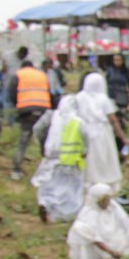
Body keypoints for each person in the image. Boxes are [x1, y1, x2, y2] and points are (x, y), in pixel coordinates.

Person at [32, 93, 89, 223]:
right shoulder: (78, 121)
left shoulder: (53, 116)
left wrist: (40, 143)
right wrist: (85, 151)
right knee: (68, 188)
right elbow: (86, 138)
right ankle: (64, 213)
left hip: (51, 157)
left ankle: (45, 203)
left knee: (49, 185)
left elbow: (37, 129)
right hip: (70, 159)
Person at [9, 49, 54, 178]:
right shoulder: (42, 75)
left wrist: (18, 106)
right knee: (45, 140)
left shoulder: (18, 74)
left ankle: (16, 170)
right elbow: (49, 92)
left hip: (26, 111)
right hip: (43, 109)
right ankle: (48, 170)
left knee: (23, 140)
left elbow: (12, 94)